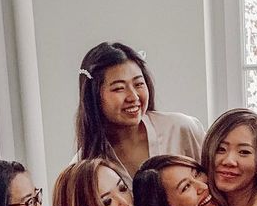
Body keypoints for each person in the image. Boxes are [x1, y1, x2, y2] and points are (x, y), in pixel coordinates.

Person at [74, 41, 204, 181]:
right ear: (93, 96)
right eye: (119, 88)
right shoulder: (82, 167)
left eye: (139, 84)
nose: (133, 96)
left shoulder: (181, 128)